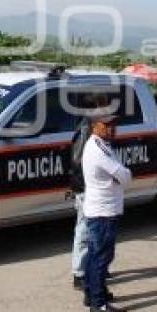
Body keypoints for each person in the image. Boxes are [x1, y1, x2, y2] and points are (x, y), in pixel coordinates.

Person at [82, 113, 132, 312]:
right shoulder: (98, 150)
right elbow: (125, 176)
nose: (111, 129)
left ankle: (92, 292)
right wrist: (119, 178)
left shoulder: (101, 144)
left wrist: (118, 179)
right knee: (102, 257)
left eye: (114, 125)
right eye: (106, 125)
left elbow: (120, 176)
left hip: (102, 209)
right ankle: (98, 304)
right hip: (103, 212)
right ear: (94, 126)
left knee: (95, 254)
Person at [69, 116, 92, 291]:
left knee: (94, 230)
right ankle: (79, 273)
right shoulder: (86, 128)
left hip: (93, 187)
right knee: (84, 229)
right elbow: (78, 161)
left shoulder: (94, 126)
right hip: (86, 186)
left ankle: (92, 267)